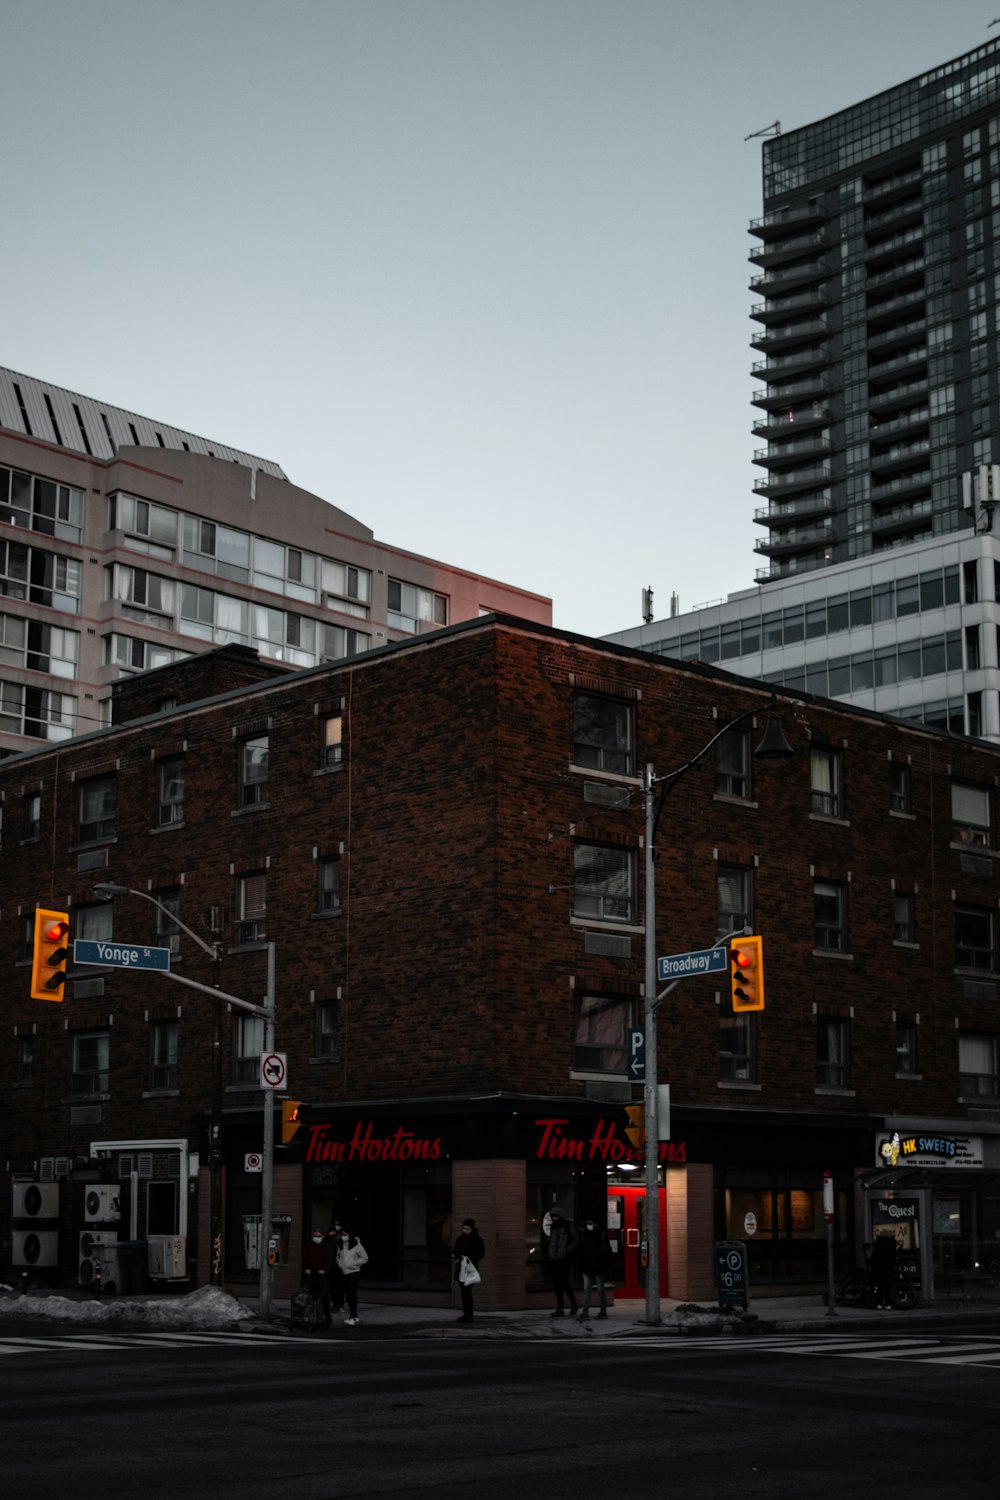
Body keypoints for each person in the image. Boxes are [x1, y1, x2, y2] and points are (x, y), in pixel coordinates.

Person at [543, 1207, 579, 1317]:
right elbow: (553, 1240)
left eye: (556, 1216)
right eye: (553, 1216)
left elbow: (576, 1240)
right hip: (554, 1258)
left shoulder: (568, 1225)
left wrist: (567, 1251)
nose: (554, 1218)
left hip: (564, 1259)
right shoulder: (553, 1226)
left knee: (564, 1282)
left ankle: (573, 1304)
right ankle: (560, 1307)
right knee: (556, 1284)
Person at [576, 1213, 611, 1321]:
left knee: (598, 1289)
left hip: (596, 1265)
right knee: (589, 1289)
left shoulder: (600, 1234)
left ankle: (602, 1312)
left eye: (591, 1223)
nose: (589, 1225)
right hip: (589, 1265)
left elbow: (606, 1251)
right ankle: (586, 1312)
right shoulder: (585, 1234)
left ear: (595, 1224)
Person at [452, 1217, 486, 1324]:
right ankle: (467, 1314)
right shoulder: (460, 1239)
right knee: (464, 1292)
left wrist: (469, 1257)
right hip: (462, 1267)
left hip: (471, 1267)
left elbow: (481, 1254)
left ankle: (469, 1314)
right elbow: (456, 1251)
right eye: (464, 1228)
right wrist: (455, 1255)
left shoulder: (477, 1240)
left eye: (467, 1229)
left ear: (471, 1229)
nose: (465, 1231)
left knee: (467, 1291)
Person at [302, 1227, 334, 1328]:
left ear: (323, 1236)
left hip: (323, 1275)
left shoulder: (327, 1247)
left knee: (323, 1296)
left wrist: (324, 1269)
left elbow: (329, 1260)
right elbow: (305, 1258)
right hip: (312, 1274)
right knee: (313, 1296)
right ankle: (315, 1317)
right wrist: (306, 1268)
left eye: (318, 1236)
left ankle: (327, 1317)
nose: (316, 1238)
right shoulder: (309, 1246)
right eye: (315, 1236)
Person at [336, 1225, 368, 1325]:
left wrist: (353, 1264)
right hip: (344, 1273)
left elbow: (365, 1258)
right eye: (342, 1234)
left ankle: (352, 1316)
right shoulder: (341, 1244)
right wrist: (340, 1264)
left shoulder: (356, 1245)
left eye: (345, 1234)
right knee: (348, 1295)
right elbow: (338, 1256)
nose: (343, 1236)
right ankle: (354, 1316)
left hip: (353, 1273)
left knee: (351, 1295)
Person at [870, 1232, 897, 1309]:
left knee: (880, 1287)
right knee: (888, 1287)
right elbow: (894, 1256)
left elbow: (874, 1257)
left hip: (879, 1268)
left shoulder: (878, 1243)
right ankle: (888, 1304)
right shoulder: (891, 1243)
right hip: (888, 1268)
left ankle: (879, 1303)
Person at [326, 1221, 345, 1312]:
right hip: (332, 1264)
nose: (337, 1227)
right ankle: (336, 1303)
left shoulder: (344, 1235)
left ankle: (340, 1304)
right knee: (332, 1286)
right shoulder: (330, 1236)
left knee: (338, 1286)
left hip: (340, 1264)